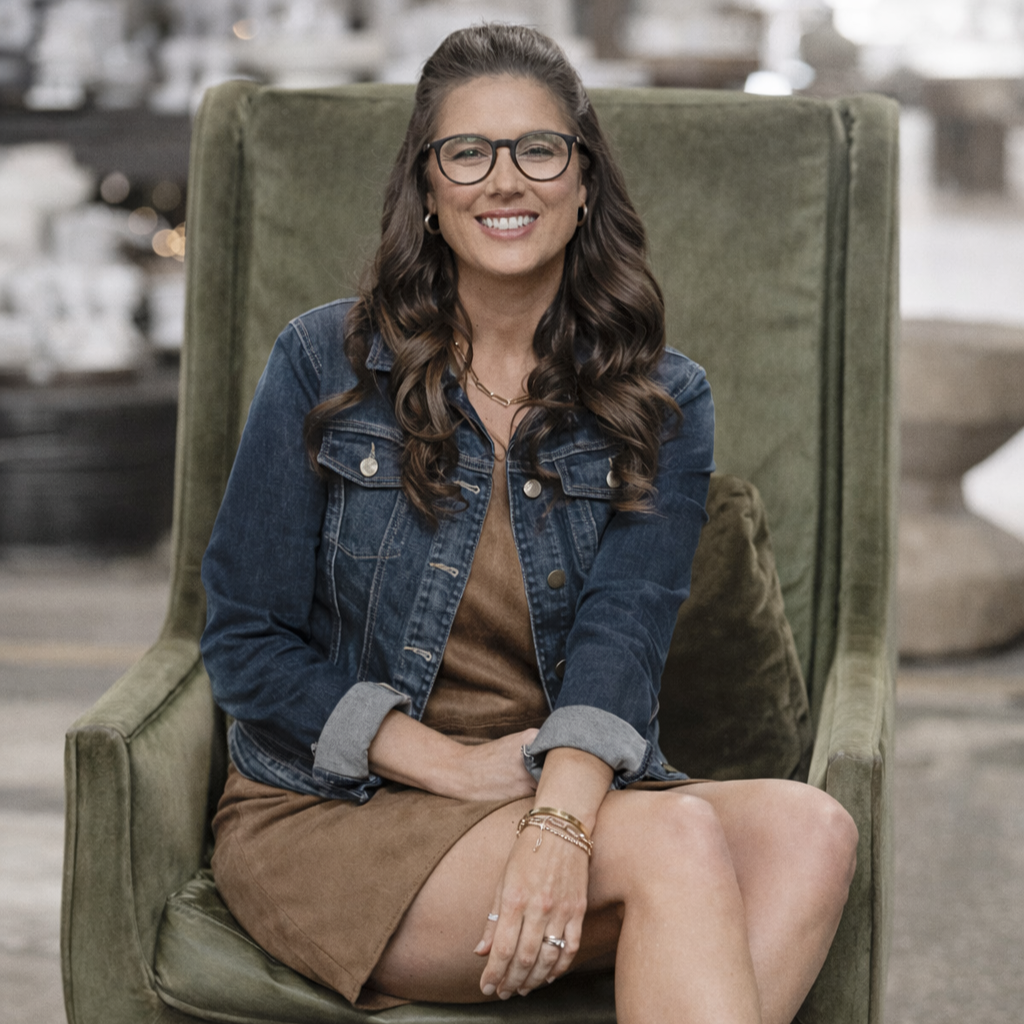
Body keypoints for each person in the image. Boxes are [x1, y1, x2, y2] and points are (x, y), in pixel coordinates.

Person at [200, 23, 858, 1024]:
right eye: (468, 152)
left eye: (538, 150)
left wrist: (555, 818)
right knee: (676, 840)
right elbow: (244, 640)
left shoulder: (661, 396)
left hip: (553, 788)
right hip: (340, 811)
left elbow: (622, 640)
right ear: (426, 187)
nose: (503, 181)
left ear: (583, 179)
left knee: (811, 830)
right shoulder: (322, 363)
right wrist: (448, 763)